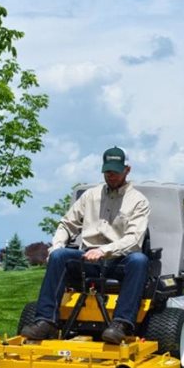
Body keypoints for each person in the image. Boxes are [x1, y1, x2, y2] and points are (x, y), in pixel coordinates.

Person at [21, 146, 151, 344]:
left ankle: (120, 324)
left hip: (119, 261)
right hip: (88, 260)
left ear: (127, 170)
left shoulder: (138, 202)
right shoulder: (90, 196)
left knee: (140, 260)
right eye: (107, 171)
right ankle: (46, 321)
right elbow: (67, 224)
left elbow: (133, 238)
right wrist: (56, 245)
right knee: (59, 256)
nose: (111, 175)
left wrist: (103, 250)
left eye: (116, 171)